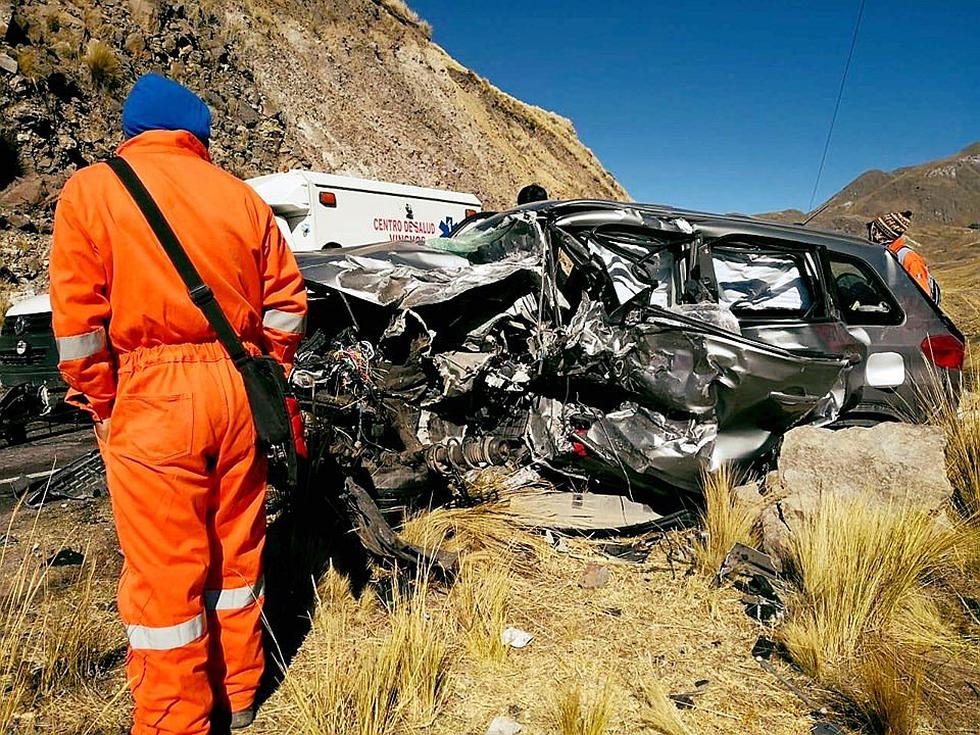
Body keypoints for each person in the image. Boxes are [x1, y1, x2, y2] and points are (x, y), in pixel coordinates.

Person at [49, 73, 308, 734]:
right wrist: (265, 370)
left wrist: (105, 401)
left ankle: (175, 720)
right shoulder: (242, 198)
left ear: (135, 131)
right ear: (199, 136)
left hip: (151, 394)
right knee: (237, 548)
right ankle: (242, 690)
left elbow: (78, 327)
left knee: (167, 574)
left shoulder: (92, 190)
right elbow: (285, 304)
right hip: (238, 388)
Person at [867, 210, 941, 303]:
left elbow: (922, 299)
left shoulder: (909, 258)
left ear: (879, 234)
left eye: (872, 230)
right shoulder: (887, 255)